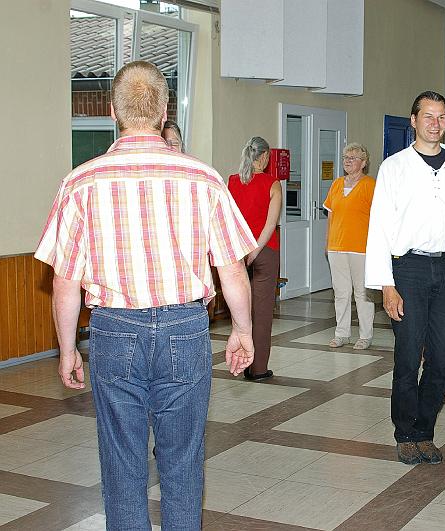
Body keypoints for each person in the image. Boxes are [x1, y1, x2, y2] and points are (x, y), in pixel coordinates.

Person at [34, 61, 256, 530]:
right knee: (183, 462)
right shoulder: (203, 178)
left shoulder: (81, 182)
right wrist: (243, 330)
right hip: (185, 328)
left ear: (113, 111)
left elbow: (65, 280)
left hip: (114, 331)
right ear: (164, 111)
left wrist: (68, 348)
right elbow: (232, 267)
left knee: (122, 464)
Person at [365, 90, 445, 465]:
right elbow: (379, 227)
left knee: (442, 359)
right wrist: (386, 284)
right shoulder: (394, 167)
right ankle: (405, 432)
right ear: (413, 121)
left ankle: (424, 430)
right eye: (428, 116)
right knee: (408, 355)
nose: (435, 123)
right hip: (409, 269)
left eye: (441, 116)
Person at [228, 136, 283, 380]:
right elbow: (270, 225)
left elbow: (230, 219)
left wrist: (242, 253)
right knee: (261, 312)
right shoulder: (273, 184)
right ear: (264, 157)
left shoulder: (233, 181)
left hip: (239, 252)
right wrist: (256, 251)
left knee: (241, 312)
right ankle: (258, 369)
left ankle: (240, 362)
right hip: (265, 251)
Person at [324, 143, 376, 349]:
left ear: (363, 163)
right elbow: (331, 216)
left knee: (362, 293)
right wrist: (328, 243)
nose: (347, 160)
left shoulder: (370, 185)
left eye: (353, 157)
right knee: (341, 292)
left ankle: (365, 335)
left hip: (361, 248)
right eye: (345, 157)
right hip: (337, 246)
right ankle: (341, 333)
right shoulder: (336, 184)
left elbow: (379, 218)